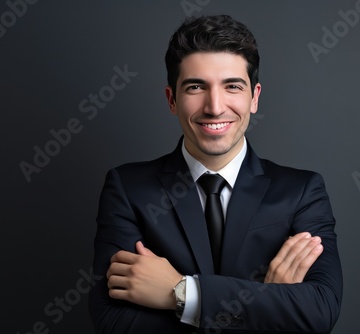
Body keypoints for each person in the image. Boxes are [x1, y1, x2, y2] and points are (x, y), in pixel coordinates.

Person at [89, 14, 343, 334]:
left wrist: (181, 293)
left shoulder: (303, 191)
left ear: (254, 97)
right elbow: (113, 322)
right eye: (196, 86)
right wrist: (269, 304)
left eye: (232, 86)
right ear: (172, 99)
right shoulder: (127, 188)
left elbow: (320, 311)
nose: (215, 106)